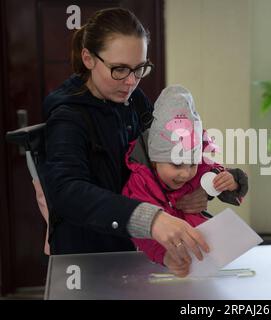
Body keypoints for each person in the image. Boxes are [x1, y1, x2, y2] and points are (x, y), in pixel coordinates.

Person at [41, 8, 210, 266]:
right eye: (119, 69)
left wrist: (196, 188)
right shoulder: (68, 117)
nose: (131, 81)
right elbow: (66, 192)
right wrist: (151, 219)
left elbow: (164, 155)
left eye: (139, 68)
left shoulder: (134, 102)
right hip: (90, 256)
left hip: (136, 249)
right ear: (88, 58)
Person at [122, 85, 248, 277]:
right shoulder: (141, 183)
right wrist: (165, 256)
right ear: (155, 160)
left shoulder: (199, 170)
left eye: (192, 164)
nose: (186, 174)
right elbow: (141, 232)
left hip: (204, 261)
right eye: (176, 165)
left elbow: (218, 175)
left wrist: (232, 181)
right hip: (158, 267)